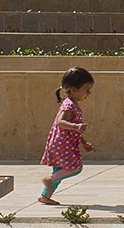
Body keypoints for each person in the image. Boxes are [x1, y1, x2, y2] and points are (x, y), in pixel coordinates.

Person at [38, 67, 96, 205]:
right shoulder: (69, 106)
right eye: (86, 90)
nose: (89, 93)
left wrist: (84, 142)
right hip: (62, 145)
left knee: (59, 171)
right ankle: (50, 180)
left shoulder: (71, 104)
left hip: (61, 143)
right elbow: (61, 122)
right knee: (75, 167)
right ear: (74, 90)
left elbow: (74, 130)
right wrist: (76, 126)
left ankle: (45, 196)